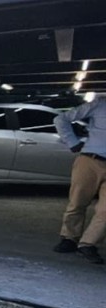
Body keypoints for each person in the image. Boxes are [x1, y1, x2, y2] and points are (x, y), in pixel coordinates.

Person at [53, 96, 106, 264]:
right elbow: (61, 119)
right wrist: (72, 142)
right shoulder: (100, 104)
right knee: (77, 201)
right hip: (90, 159)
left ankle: (88, 244)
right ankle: (69, 238)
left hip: (92, 159)